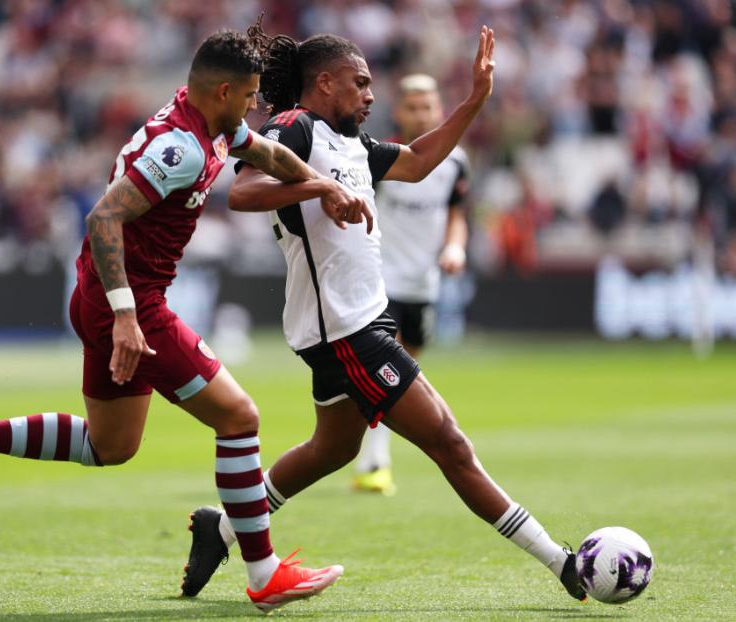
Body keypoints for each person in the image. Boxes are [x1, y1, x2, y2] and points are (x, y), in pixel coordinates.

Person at [0, 30, 370, 613]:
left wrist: (320, 185)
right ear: (222, 91)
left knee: (110, 445)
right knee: (239, 417)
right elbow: (102, 219)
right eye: (247, 96)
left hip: (99, 295)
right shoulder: (184, 148)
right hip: (131, 304)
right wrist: (125, 315)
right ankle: (264, 573)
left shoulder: (211, 121)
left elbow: (268, 155)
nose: (253, 107)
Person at [182, 23, 587, 603]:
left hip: (355, 323)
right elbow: (243, 192)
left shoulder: (356, 146)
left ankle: (220, 528)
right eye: (361, 82)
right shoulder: (297, 127)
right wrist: (319, 189)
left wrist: (474, 100)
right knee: (450, 443)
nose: (372, 94)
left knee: (335, 449)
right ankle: (561, 562)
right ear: (325, 83)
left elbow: (420, 161)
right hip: (346, 331)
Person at [351, 73, 471, 496]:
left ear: (439, 110)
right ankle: (375, 460)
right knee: (393, 373)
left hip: (424, 283)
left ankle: (367, 450)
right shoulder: (382, 158)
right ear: (399, 111)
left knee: (403, 371)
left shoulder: (455, 162)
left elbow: (456, 214)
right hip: (382, 281)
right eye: (413, 108)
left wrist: (455, 248)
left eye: (428, 107)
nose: (422, 114)